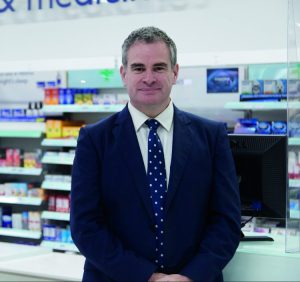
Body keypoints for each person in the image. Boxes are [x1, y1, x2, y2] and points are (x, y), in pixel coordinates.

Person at [70, 26, 241, 282]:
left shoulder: (211, 136)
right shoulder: (95, 140)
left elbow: (226, 221)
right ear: (123, 74)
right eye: (138, 68)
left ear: (175, 72)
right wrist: (147, 277)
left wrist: (190, 276)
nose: (149, 77)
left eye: (159, 67)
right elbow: (85, 226)